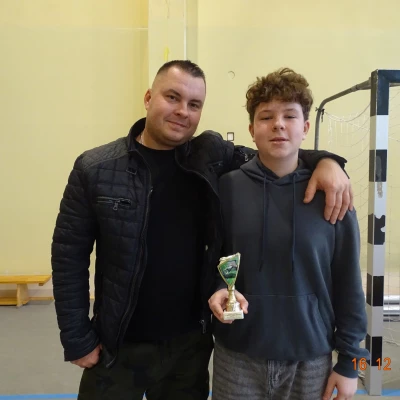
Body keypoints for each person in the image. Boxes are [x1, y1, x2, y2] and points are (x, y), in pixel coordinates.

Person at [51, 60, 353, 400]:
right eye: (172, 97)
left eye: (194, 104)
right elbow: (68, 256)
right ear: (149, 98)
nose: (183, 111)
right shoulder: (95, 168)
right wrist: (76, 336)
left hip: (189, 349)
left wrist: (327, 161)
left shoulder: (211, 157)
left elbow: (276, 152)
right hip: (117, 345)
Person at [209, 68, 369, 400]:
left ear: (305, 128)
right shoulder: (227, 188)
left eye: (290, 116)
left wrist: (351, 361)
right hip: (237, 356)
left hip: (311, 358)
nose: (278, 124)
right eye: (266, 117)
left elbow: (348, 281)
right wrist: (217, 289)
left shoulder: (333, 193)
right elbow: (212, 259)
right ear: (252, 130)